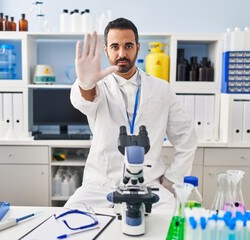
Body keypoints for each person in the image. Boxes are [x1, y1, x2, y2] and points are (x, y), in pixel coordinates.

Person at [66, 17, 197, 209]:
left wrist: (173, 179)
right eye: (114, 47)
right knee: (69, 221)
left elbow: (186, 136)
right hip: (100, 185)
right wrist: (86, 83)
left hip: (149, 184)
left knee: (170, 225)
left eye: (128, 46)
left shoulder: (162, 89)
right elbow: (84, 102)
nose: (122, 53)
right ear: (106, 49)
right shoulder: (97, 87)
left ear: (137, 47)